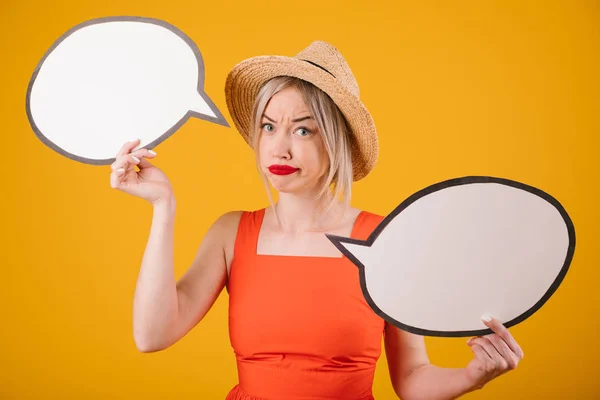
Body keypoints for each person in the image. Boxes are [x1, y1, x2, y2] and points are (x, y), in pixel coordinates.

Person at [109, 41, 524, 400]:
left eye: (303, 131)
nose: (280, 149)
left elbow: (412, 380)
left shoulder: (385, 239)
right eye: (269, 127)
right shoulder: (230, 233)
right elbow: (152, 335)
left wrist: (474, 376)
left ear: (336, 140)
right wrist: (162, 207)